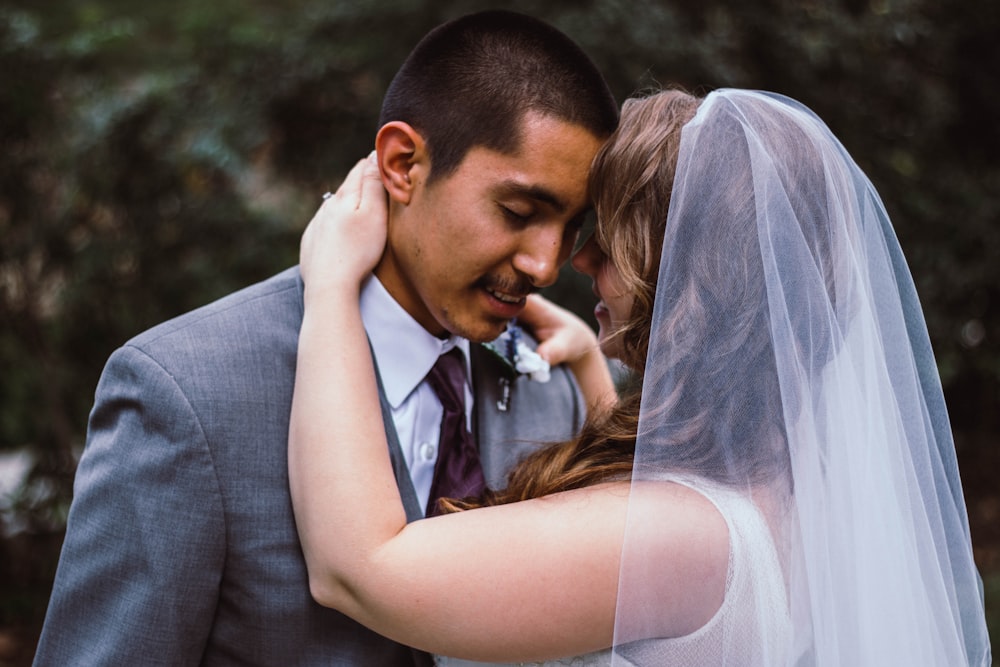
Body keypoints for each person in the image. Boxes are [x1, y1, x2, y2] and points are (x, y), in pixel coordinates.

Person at [289, 88, 992, 666]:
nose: (581, 259)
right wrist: (598, 365)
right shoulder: (791, 481)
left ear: (685, 269)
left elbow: (360, 568)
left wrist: (329, 283)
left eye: (611, 236)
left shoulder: (685, 537)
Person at [33, 11, 619, 666]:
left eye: (570, 227)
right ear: (403, 164)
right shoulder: (186, 394)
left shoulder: (546, 383)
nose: (546, 264)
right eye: (518, 212)